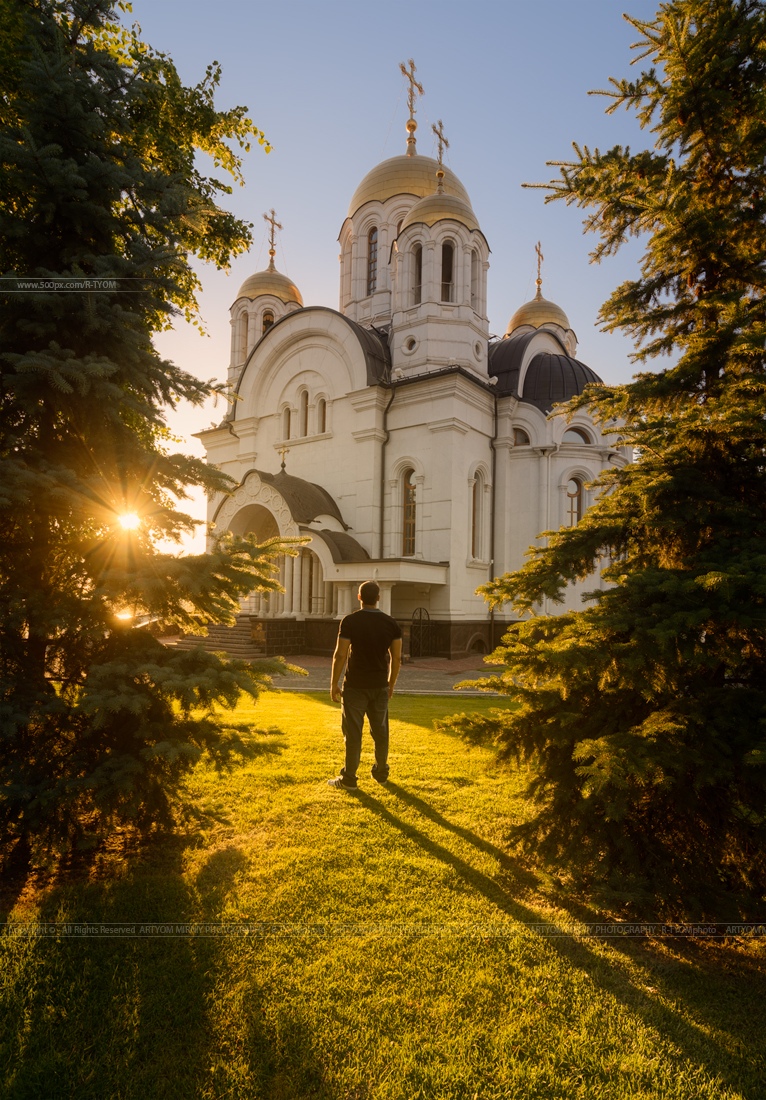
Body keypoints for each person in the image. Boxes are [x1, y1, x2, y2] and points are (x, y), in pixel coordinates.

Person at [328, 581, 402, 791]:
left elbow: (340, 654)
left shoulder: (350, 621)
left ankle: (349, 779)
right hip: (379, 686)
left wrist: (334, 684)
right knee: (380, 732)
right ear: (378, 598)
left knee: (353, 733)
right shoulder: (391, 623)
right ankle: (381, 774)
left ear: (359, 597)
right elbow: (396, 659)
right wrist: (391, 684)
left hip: (355, 686)